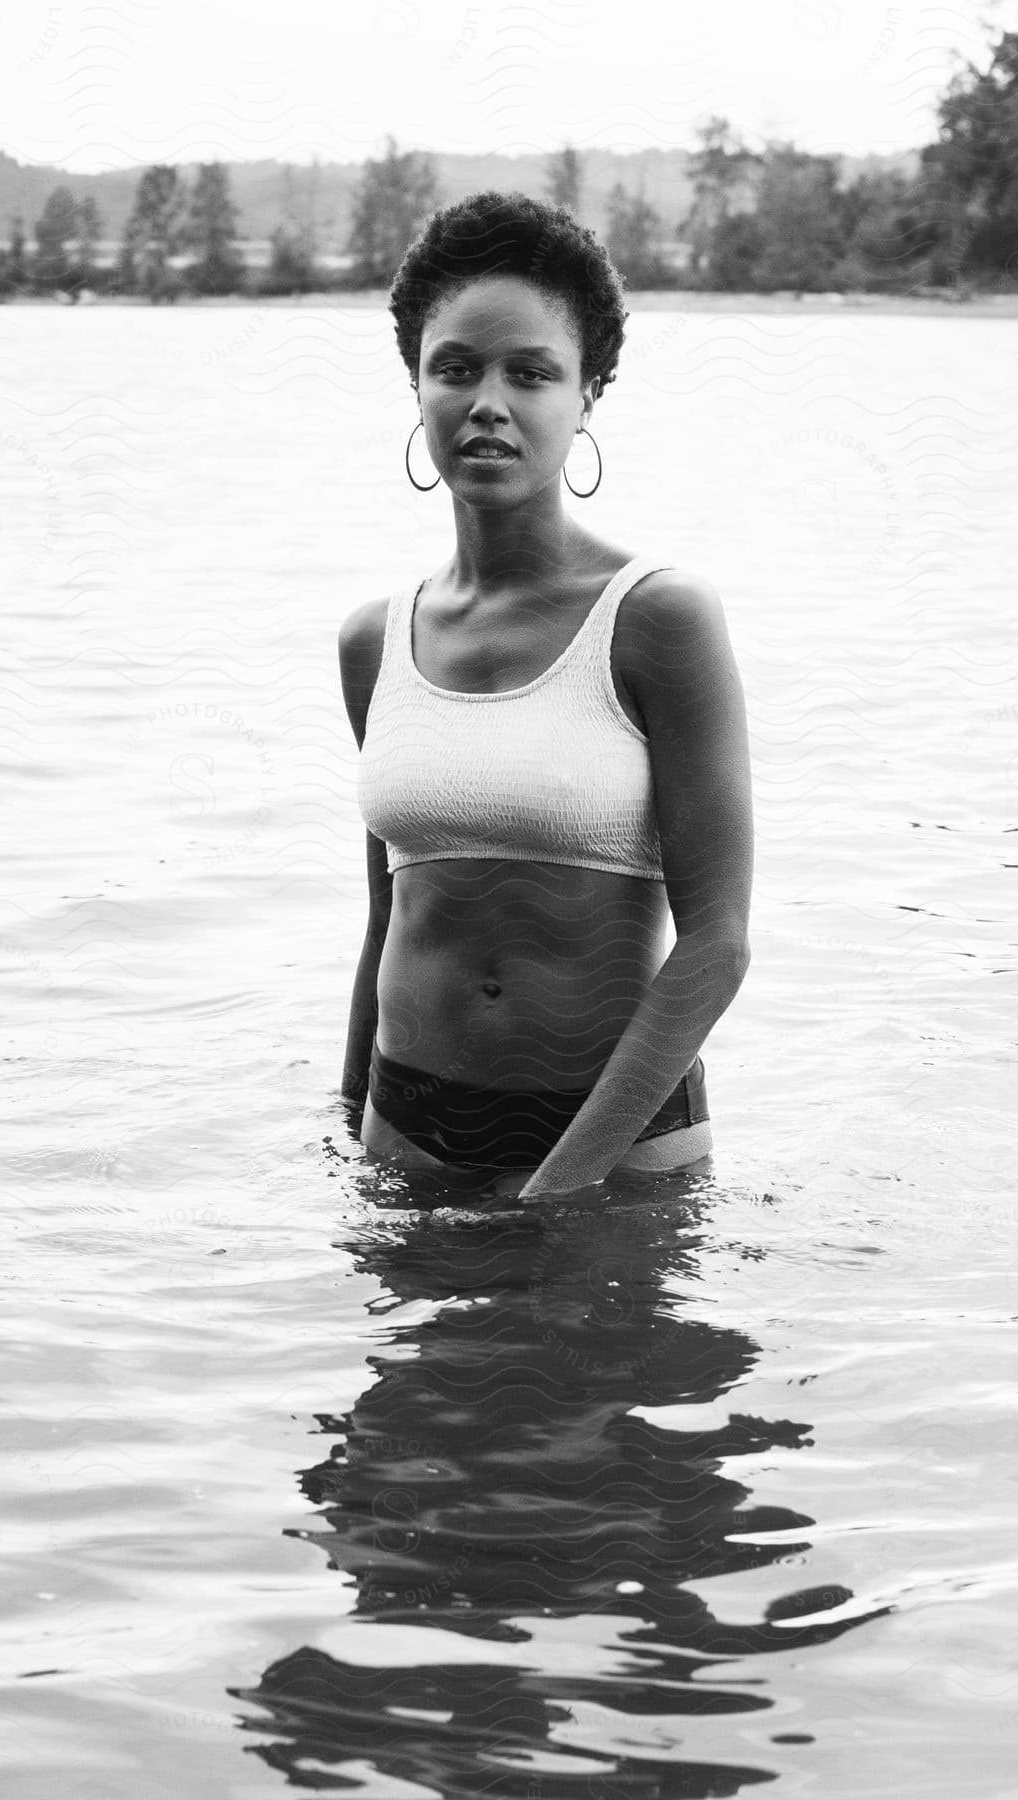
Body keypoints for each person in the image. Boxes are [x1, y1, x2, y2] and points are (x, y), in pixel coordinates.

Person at [338, 191, 752, 1203]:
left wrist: (559, 1188)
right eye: (455, 368)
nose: (488, 401)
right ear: (417, 385)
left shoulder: (655, 617)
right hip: (408, 1135)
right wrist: (344, 1123)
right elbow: (385, 913)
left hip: (609, 1146)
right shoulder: (373, 641)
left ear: (586, 396)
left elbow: (716, 944)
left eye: (530, 373)